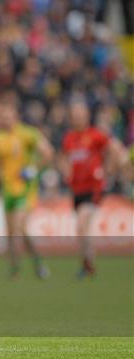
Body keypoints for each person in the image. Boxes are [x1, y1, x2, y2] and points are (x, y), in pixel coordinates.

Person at [59, 101, 129, 278]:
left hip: (94, 187)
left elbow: (117, 150)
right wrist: (67, 173)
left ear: (87, 117)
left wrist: (110, 171)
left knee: (83, 223)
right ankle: (87, 264)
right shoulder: (69, 138)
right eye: (74, 117)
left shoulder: (96, 135)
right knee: (82, 229)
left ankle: (87, 264)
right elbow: (63, 158)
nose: (77, 119)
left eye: (80, 116)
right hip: (77, 189)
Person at [0, 101, 54, 279]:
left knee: (18, 228)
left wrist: (33, 168)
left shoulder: (27, 134)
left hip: (25, 189)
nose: (6, 120)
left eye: (9, 117)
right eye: (2, 117)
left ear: (16, 117)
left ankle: (23, 269)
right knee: (12, 232)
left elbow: (48, 152)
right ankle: (27, 265)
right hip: (7, 189)